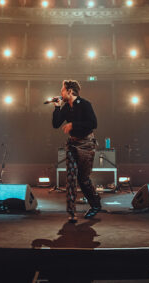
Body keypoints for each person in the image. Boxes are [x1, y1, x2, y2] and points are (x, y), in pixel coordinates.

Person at [52, 80, 101, 223]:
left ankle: (95, 204)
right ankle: (71, 212)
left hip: (86, 144)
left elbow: (93, 123)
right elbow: (55, 125)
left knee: (83, 179)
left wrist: (74, 124)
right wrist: (56, 107)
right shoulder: (66, 107)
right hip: (72, 145)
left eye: (62, 90)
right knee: (71, 177)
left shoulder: (85, 104)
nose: (60, 93)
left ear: (70, 91)